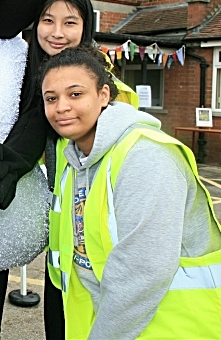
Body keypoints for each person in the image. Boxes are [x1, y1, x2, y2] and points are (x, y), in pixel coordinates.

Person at [0, 0, 139, 340]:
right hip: (59, 240)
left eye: (70, 22)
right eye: (47, 20)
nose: (57, 33)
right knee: (57, 320)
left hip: (98, 234)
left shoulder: (104, 84)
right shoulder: (22, 70)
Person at [41, 44, 221, 339]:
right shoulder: (75, 160)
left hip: (173, 326)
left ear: (103, 95)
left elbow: (143, 271)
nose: (61, 107)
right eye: (51, 98)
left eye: (75, 94)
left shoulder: (145, 155)